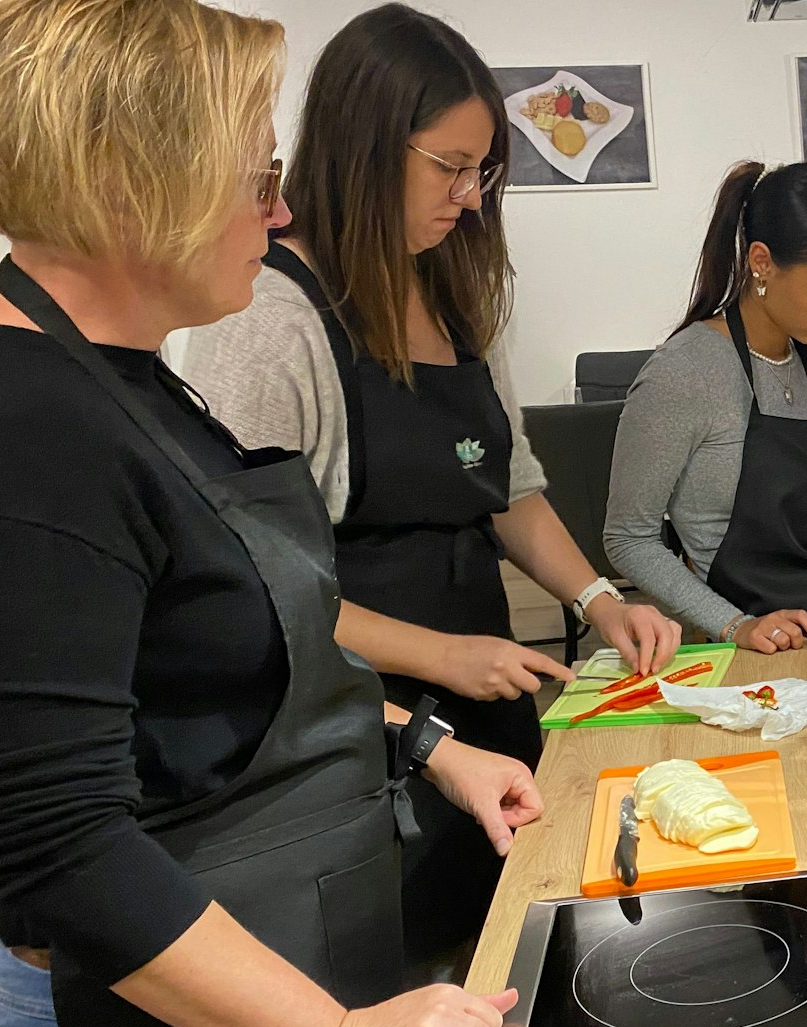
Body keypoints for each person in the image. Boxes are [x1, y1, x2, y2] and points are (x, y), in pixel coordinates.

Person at [0, 0, 539, 1027]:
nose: (277, 218)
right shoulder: (15, 423)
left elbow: (210, 684)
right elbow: (55, 840)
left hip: (275, 973)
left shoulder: (129, 385)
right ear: (129, 185)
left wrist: (425, 747)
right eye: (255, 180)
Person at [186, 4, 678, 971]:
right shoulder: (273, 318)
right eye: (450, 166)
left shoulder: (451, 287)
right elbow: (257, 592)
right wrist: (442, 656)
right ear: (365, 146)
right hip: (356, 732)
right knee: (403, 989)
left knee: (505, 956)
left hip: (484, 698)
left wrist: (597, 599)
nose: (472, 195)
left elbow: (508, 487)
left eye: (485, 168)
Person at [602, 161, 807, 653]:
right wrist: (735, 625)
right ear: (761, 261)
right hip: (759, 656)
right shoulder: (685, 373)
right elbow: (629, 538)